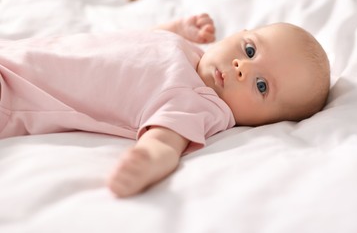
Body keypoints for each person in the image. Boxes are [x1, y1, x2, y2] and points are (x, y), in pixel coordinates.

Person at [0, 13, 330, 198]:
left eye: (261, 86)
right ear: (243, 33)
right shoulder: (191, 51)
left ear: (263, 121)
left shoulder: (200, 103)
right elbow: (136, 43)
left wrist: (148, 160)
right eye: (249, 50)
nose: (242, 68)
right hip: (16, 52)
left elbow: (165, 141)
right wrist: (175, 29)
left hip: (13, 93)